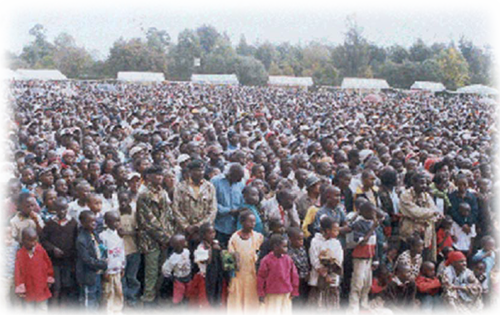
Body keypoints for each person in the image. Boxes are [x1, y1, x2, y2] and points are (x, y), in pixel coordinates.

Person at [136, 166, 174, 311]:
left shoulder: (163, 192)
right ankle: (147, 302)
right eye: (156, 175)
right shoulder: (144, 194)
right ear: (148, 177)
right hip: (151, 240)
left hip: (164, 238)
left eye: (161, 175)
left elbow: (168, 216)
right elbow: (148, 221)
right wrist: (164, 238)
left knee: (162, 270)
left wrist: (168, 236)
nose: (159, 177)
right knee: (151, 272)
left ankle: (156, 299)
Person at [40, 197, 78, 314]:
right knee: (56, 286)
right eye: (59, 209)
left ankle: (64, 306)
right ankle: (54, 306)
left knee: (67, 284)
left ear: (67, 208)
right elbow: (43, 240)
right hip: (54, 261)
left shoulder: (73, 223)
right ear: (55, 209)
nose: (61, 212)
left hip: (68, 260)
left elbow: (76, 241)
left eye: (63, 209)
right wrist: (53, 249)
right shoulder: (51, 223)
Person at [227, 210, 263, 315]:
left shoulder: (258, 237)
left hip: (252, 276)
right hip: (238, 276)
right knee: (237, 299)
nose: (253, 224)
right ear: (242, 222)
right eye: (250, 222)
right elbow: (230, 259)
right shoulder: (234, 238)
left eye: (254, 222)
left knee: (252, 300)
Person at [399, 172, 441, 261]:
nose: (424, 186)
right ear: (413, 183)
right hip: (409, 234)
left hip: (424, 235)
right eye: (421, 183)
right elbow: (416, 212)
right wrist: (432, 213)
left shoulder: (426, 196)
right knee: (408, 259)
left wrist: (431, 213)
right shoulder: (405, 195)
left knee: (423, 260)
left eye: (425, 183)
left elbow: (434, 213)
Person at [187, 223, 227, 315]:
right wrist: (212, 250)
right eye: (210, 233)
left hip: (217, 277)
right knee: (206, 300)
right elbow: (206, 261)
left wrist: (220, 250)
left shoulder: (216, 243)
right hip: (206, 279)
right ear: (203, 235)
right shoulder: (201, 248)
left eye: (213, 232)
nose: (212, 235)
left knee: (218, 298)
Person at [307, 216, 344, 315]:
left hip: (332, 276)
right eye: (335, 230)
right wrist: (324, 274)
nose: (337, 232)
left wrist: (331, 269)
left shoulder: (336, 243)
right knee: (315, 303)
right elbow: (314, 259)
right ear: (327, 230)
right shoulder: (315, 242)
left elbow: (339, 259)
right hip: (319, 276)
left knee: (329, 304)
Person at [347, 201, 378, 315]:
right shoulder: (359, 224)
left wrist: (376, 259)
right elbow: (361, 242)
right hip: (360, 259)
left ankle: (364, 305)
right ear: (364, 212)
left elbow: (375, 244)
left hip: (369, 258)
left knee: (367, 284)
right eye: (371, 211)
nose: (374, 214)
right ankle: (353, 309)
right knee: (357, 284)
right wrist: (372, 229)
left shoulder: (371, 223)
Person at [14, 227, 54, 315]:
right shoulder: (20, 254)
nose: (33, 243)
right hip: (28, 286)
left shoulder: (40, 250)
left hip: (41, 285)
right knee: (29, 310)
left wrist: (49, 277)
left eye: (34, 240)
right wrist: (20, 286)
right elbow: (18, 272)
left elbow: (48, 264)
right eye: (30, 241)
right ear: (23, 240)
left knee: (42, 308)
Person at [257, 234, 299, 315]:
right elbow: (261, 277)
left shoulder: (288, 259)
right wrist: (261, 293)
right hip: (272, 293)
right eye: (284, 246)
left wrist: (295, 290)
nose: (286, 249)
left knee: (285, 311)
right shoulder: (266, 260)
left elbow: (294, 275)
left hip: (286, 292)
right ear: (275, 247)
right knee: (273, 311)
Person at [76, 210, 108, 315]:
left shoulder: (94, 234)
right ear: (83, 223)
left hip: (96, 273)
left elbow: (101, 249)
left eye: (94, 221)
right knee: (88, 300)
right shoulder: (81, 239)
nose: (93, 224)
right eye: (90, 222)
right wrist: (101, 264)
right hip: (87, 275)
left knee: (96, 298)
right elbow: (86, 259)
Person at [172, 159, 218, 232]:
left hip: (204, 230)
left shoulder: (209, 187)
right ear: (190, 172)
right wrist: (186, 226)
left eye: (202, 170)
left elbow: (213, 209)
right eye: (197, 170)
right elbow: (176, 208)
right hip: (185, 230)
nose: (201, 173)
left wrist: (200, 225)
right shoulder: (180, 187)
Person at [117, 190, 141, 311]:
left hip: (133, 249)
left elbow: (140, 232)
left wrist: (126, 233)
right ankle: (123, 301)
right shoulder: (115, 214)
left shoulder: (135, 214)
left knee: (132, 277)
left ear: (130, 200)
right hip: (120, 252)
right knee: (122, 278)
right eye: (120, 200)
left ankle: (132, 300)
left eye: (125, 200)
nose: (122, 203)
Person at [211, 163, 245, 247]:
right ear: (230, 175)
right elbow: (211, 202)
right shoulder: (216, 181)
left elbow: (242, 201)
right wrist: (228, 211)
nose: (240, 180)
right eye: (238, 178)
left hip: (234, 227)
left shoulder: (241, 184)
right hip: (219, 225)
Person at [100, 211, 126, 315]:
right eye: (113, 221)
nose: (116, 223)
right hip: (108, 270)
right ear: (106, 222)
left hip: (117, 268)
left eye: (118, 221)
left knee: (118, 290)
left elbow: (122, 251)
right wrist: (104, 269)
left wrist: (122, 266)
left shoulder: (119, 235)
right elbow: (102, 254)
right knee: (108, 291)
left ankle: (117, 310)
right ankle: (108, 311)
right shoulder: (103, 236)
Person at [441, 251, 483, 315]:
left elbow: (478, 286)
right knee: (449, 295)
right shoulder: (447, 272)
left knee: (477, 291)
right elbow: (447, 288)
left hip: (465, 296)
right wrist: (451, 301)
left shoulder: (467, 272)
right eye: (461, 261)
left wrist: (461, 287)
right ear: (454, 263)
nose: (464, 264)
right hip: (454, 298)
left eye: (465, 261)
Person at [161, 234, 191, 308]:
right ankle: (176, 307)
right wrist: (170, 277)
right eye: (183, 243)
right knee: (178, 294)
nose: (185, 244)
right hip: (179, 278)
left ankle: (186, 304)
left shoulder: (186, 251)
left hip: (188, 276)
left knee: (189, 291)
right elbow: (165, 269)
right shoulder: (172, 258)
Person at [0, 221, 21, 315]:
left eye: (10, 233)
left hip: (15, 277)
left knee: (17, 300)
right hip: (3, 278)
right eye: (5, 234)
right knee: (2, 299)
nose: (8, 236)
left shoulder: (15, 245)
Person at [287, 227, 310, 313]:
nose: (301, 242)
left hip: (304, 279)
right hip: (294, 281)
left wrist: (308, 272)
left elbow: (305, 261)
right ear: (291, 239)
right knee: (296, 301)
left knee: (303, 299)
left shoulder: (302, 248)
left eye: (302, 239)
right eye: (298, 240)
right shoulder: (288, 252)